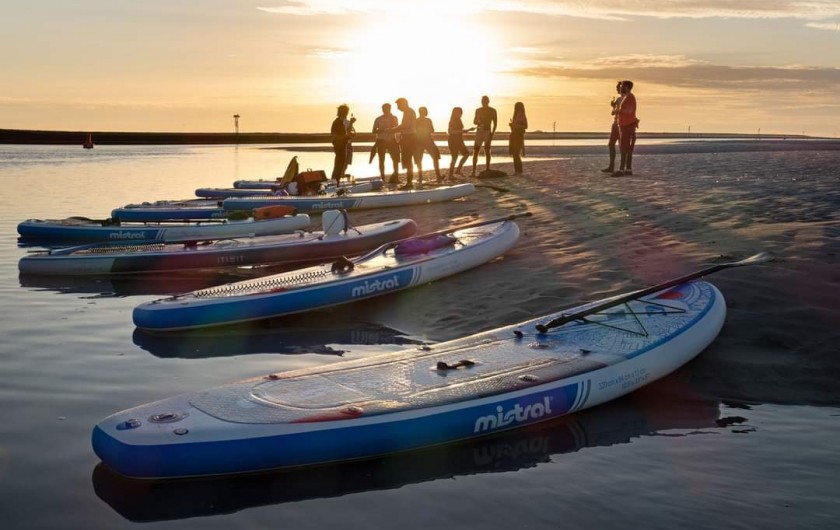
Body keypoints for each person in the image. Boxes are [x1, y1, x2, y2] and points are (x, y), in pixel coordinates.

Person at [391, 97, 417, 189]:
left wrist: (392, 130)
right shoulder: (409, 111)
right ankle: (409, 183)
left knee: (408, 161)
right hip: (408, 137)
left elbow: (405, 125)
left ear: (404, 103)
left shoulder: (408, 112)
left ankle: (409, 183)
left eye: (398, 105)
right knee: (408, 161)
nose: (398, 108)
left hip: (409, 138)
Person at [615, 80, 638, 176]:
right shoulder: (627, 97)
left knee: (624, 148)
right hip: (626, 124)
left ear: (627, 87)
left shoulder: (629, 98)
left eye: (623, 86)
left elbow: (629, 111)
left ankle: (622, 169)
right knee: (626, 148)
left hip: (627, 125)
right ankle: (628, 168)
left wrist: (619, 111)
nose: (621, 88)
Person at [371, 103, 400, 180]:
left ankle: (395, 175)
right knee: (381, 159)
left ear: (390, 109)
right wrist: (380, 130)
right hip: (381, 140)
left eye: (387, 109)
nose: (385, 110)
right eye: (384, 109)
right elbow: (373, 131)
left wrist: (391, 129)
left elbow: (397, 128)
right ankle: (382, 177)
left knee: (395, 159)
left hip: (392, 140)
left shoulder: (394, 118)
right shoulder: (378, 119)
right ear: (382, 109)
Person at [470, 95, 497, 177]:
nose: (484, 102)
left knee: (487, 150)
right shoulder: (478, 110)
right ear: (481, 102)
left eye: (485, 101)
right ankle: (473, 171)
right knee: (476, 151)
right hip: (479, 131)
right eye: (483, 101)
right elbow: (474, 121)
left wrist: (492, 134)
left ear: (488, 101)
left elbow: (495, 123)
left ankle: (487, 168)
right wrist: (477, 121)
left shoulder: (492, 110)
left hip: (487, 132)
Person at [414, 106, 443, 183]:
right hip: (425, 140)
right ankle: (437, 175)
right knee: (434, 157)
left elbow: (430, 130)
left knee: (420, 159)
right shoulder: (424, 120)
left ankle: (421, 176)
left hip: (422, 141)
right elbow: (431, 130)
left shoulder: (418, 120)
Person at [601, 81, 624, 174]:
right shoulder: (619, 99)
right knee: (611, 144)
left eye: (618, 88)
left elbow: (620, 111)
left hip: (621, 124)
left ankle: (621, 167)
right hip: (615, 124)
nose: (617, 90)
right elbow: (613, 113)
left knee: (621, 146)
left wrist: (615, 107)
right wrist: (613, 106)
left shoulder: (624, 99)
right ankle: (611, 166)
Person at [330, 104, 356, 183]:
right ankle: (334, 181)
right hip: (340, 146)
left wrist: (351, 125)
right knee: (339, 165)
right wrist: (346, 136)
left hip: (344, 145)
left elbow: (346, 133)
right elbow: (335, 136)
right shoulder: (337, 122)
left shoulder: (341, 121)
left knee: (342, 163)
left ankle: (337, 180)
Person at [447, 107, 473, 179]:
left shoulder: (459, 120)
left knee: (466, 154)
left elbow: (460, 130)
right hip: (453, 140)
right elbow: (451, 131)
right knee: (454, 157)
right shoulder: (452, 121)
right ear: (455, 113)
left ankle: (458, 170)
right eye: (459, 113)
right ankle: (450, 175)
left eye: (461, 113)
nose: (461, 114)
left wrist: (468, 130)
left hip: (459, 140)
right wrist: (463, 131)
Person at [508, 101, 528, 175]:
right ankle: (517, 170)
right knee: (514, 154)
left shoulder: (522, 115)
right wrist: (512, 126)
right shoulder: (515, 116)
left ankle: (519, 170)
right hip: (514, 135)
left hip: (518, 136)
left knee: (516, 153)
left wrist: (515, 125)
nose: (517, 109)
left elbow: (525, 126)